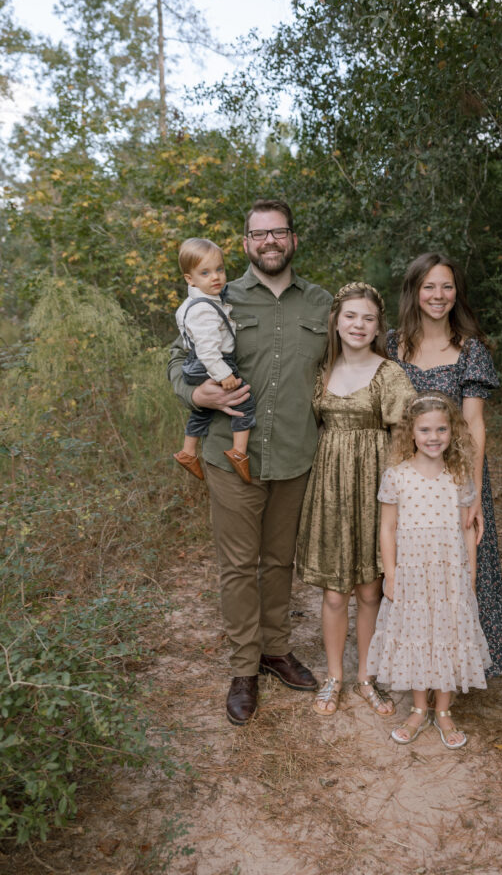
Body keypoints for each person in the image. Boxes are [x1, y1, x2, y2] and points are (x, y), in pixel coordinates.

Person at [168, 200, 332, 725]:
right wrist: (198, 395)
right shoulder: (218, 295)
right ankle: (244, 667)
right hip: (229, 452)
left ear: (293, 239)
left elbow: (349, 359)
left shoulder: (321, 303)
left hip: (295, 453)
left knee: (279, 561)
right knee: (239, 565)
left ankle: (275, 650)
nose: (269, 241)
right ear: (246, 243)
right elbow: (178, 360)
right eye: (259, 234)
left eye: (279, 232)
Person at [386, 253, 502, 677]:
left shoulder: (470, 350)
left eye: (446, 286)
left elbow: (475, 424)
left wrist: (473, 493)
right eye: (429, 286)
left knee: (463, 563)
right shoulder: (391, 346)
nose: (438, 295)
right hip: (408, 479)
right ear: (414, 292)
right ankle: (416, 663)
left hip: (456, 478)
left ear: (456, 292)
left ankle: (462, 666)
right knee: (413, 564)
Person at [296, 282, 415, 717]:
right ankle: (334, 676)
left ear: (379, 327)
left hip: (374, 486)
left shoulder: (389, 374)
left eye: (368, 318)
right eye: (350, 316)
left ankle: (366, 676)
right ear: (336, 321)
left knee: (369, 590)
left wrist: (400, 494)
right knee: (334, 593)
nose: (359, 325)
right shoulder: (321, 370)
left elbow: (405, 434)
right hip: (330, 487)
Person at [367, 391, 491, 749]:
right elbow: (387, 528)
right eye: (425, 430)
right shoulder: (397, 476)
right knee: (418, 635)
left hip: (449, 573)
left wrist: (470, 574)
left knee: (448, 635)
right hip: (412, 573)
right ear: (411, 432)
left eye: (441, 429)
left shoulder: (459, 476)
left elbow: (466, 529)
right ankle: (419, 709)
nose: (433, 437)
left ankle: (444, 710)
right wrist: (391, 574)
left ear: (452, 432)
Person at [173, 237, 256, 483]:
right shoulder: (203, 309)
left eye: (219, 269)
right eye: (205, 273)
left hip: (196, 363)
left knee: (204, 412)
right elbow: (208, 350)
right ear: (190, 279)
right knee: (244, 402)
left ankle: (188, 452)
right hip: (214, 362)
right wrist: (224, 374)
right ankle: (238, 452)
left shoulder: (196, 302)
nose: (216, 277)